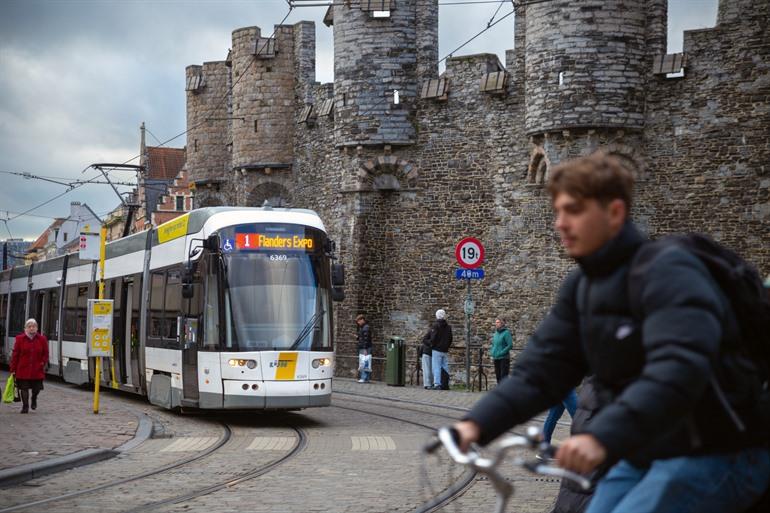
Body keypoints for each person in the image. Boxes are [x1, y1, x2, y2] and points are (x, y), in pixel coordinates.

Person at [451, 151, 770, 513]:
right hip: (647, 450)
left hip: (720, 449)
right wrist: (473, 426)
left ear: (615, 213)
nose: (559, 222)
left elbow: (678, 368)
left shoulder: (669, 271)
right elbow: (540, 372)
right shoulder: (582, 288)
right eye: (557, 211)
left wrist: (601, 438)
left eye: (573, 210)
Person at [10, 318, 49, 414]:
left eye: (34, 326)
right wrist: (13, 369)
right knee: (24, 388)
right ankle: (25, 406)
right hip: (23, 369)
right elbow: (15, 354)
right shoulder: (19, 339)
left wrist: (43, 362)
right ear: (25, 328)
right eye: (29, 327)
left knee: (37, 388)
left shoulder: (42, 339)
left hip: (37, 369)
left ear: (37, 328)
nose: (32, 328)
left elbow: (46, 353)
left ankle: (34, 398)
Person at [429, 309, 452, 390]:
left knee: (436, 367)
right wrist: (447, 346)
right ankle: (445, 384)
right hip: (445, 350)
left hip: (437, 349)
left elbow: (433, 338)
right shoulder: (448, 327)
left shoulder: (436, 325)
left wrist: (432, 345)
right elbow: (450, 339)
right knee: (445, 367)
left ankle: (437, 384)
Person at [490, 317, 512, 383]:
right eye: (496, 322)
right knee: (498, 375)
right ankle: (499, 391)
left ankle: (505, 391)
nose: (496, 324)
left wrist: (501, 352)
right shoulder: (496, 333)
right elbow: (494, 344)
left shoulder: (506, 333)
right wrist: (492, 352)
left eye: (498, 322)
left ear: (502, 323)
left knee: (503, 376)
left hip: (504, 358)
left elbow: (510, 345)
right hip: (496, 357)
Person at [355, 314, 372, 383]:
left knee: (363, 362)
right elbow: (363, 337)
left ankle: (363, 378)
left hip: (365, 347)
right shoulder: (364, 327)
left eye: (358, 321)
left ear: (362, 320)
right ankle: (366, 378)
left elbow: (366, 339)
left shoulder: (365, 328)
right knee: (366, 362)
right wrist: (358, 337)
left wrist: (365, 348)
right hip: (365, 347)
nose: (358, 323)